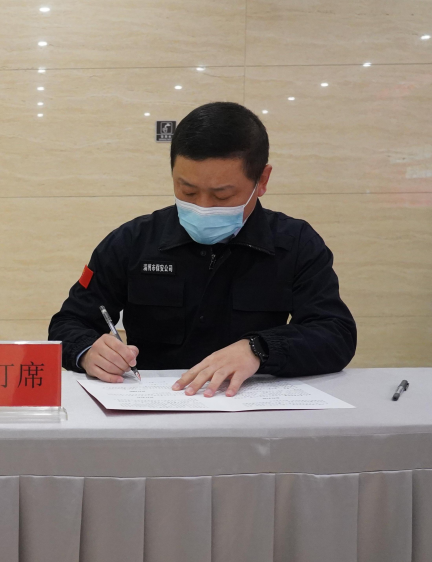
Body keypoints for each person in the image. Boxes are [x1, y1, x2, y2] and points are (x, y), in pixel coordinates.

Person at [49, 102, 356, 396]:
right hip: (154, 405)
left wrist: (258, 348)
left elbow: (335, 334)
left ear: (262, 180)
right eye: (188, 191)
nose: (203, 207)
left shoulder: (295, 243)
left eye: (222, 196)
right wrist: (88, 352)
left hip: (250, 405)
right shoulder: (133, 241)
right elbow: (67, 324)